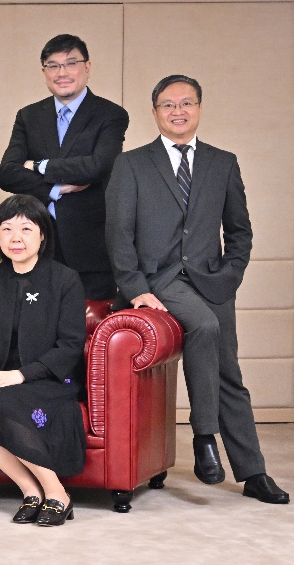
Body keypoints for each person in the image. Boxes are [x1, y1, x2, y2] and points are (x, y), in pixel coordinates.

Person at [106, 75, 288, 505]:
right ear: (155, 113)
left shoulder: (222, 162)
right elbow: (118, 233)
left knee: (230, 375)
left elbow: (240, 230)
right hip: (157, 283)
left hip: (212, 283)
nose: (177, 111)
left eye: (186, 103)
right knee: (204, 328)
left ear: (200, 108)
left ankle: (253, 471)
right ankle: (204, 436)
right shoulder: (131, 164)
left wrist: (230, 275)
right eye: (168, 105)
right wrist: (135, 288)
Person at [0, 194, 87, 527]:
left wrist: (20, 375)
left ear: (42, 235)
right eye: (6, 229)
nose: (16, 238)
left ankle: (57, 494)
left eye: (26, 228)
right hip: (0, 379)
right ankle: (30, 491)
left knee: (4, 404)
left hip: (48, 381)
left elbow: (70, 345)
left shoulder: (64, 280)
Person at [0, 34, 129, 301]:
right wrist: (56, 187)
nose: (62, 73)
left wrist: (38, 165)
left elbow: (97, 167)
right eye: (53, 65)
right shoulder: (28, 116)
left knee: (87, 334)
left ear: (87, 67)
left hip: (90, 248)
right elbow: (7, 173)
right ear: (44, 72)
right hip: (38, 246)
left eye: (70, 63)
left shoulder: (110, 114)